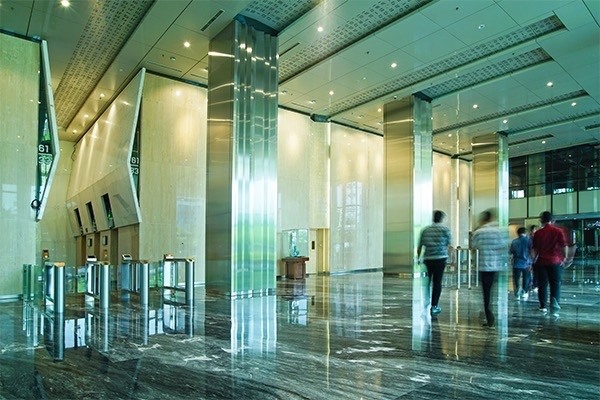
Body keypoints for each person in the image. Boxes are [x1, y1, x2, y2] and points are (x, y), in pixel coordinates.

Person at [471, 209, 507, 328]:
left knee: (485, 291)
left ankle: (488, 311)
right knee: (492, 290)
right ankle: (490, 310)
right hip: (495, 265)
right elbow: (503, 246)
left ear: (483, 219)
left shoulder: (478, 232)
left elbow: (473, 247)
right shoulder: (497, 232)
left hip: (482, 265)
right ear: (490, 219)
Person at [531, 211, 567, 317]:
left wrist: (533, 260)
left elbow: (534, 249)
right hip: (555, 261)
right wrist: (564, 258)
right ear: (552, 220)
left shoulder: (538, 233)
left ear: (541, 220)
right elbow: (564, 245)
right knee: (555, 283)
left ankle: (543, 306)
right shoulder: (558, 231)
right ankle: (554, 304)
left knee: (542, 284)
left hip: (541, 262)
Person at [417, 210, 453, 317]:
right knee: (437, 282)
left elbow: (420, 246)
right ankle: (434, 305)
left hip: (428, 259)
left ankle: (426, 300)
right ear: (441, 219)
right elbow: (450, 246)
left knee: (428, 280)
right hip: (440, 259)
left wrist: (419, 258)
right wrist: (452, 258)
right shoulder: (445, 230)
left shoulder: (426, 230)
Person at [510, 227, 531, 301]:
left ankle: (517, 293)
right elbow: (531, 251)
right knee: (526, 278)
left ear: (518, 233)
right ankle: (524, 292)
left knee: (516, 278)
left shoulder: (514, 241)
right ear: (525, 232)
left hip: (517, 262)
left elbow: (511, 251)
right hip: (527, 263)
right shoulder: (529, 241)